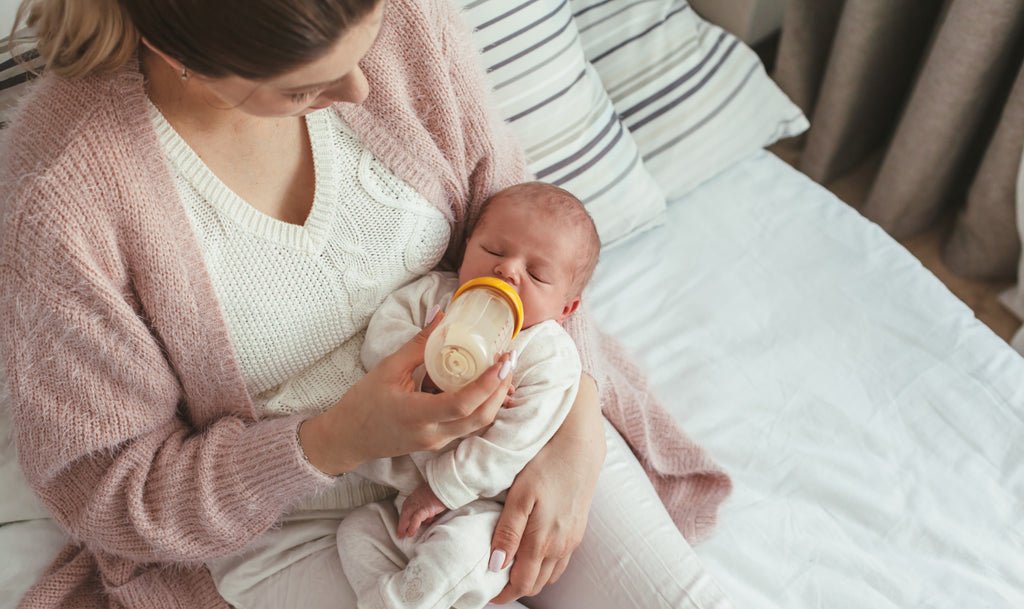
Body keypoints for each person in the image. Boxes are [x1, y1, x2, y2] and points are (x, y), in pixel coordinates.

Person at [0, 1, 733, 609]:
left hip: (512, 426)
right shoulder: (64, 198)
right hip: (287, 520)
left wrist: (577, 425)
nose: (360, 88)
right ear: (175, 48)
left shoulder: (402, 21)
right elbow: (114, 490)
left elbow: (537, 243)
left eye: (368, 40)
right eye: (302, 89)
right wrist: (332, 440)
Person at [330, 182, 598, 609]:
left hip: (481, 502)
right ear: (468, 244)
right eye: (493, 251)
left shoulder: (547, 354)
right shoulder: (433, 296)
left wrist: (441, 490)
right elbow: (380, 341)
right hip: (398, 497)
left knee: (463, 554)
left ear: (566, 309)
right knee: (356, 532)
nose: (508, 270)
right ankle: (394, 595)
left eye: (537, 274)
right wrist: (423, 372)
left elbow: (513, 442)